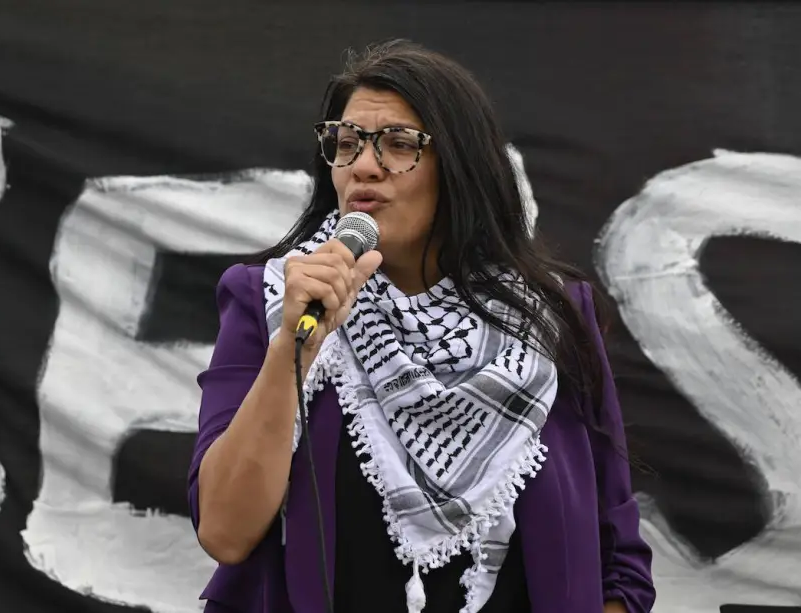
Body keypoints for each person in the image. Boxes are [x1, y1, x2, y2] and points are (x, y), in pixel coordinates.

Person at [188, 39, 655, 613]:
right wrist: (295, 346)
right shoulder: (275, 301)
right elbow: (225, 532)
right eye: (347, 143)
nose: (363, 165)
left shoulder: (552, 316)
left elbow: (620, 565)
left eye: (398, 144)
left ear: (461, 168)